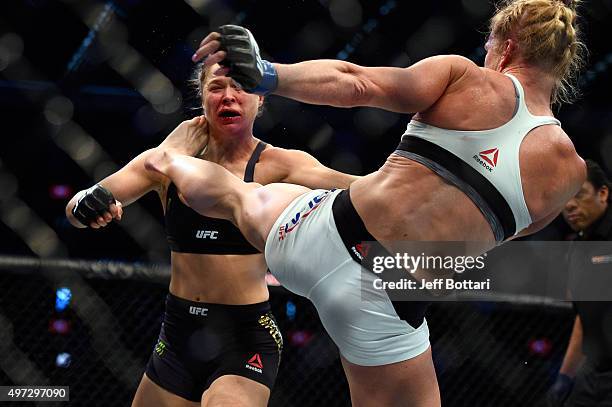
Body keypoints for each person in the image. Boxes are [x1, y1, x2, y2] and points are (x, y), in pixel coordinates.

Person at [178, 0, 588, 405]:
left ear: (509, 45)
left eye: (491, 44)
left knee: (239, 196)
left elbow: (356, 82)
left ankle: (165, 161)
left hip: (325, 230)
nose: (485, 53)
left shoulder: (465, 77)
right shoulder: (570, 172)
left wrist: (268, 75)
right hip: (387, 299)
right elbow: (480, 244)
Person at [65, 61, 358, 407]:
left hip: (243, 338)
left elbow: (364, 194)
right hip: (176, 335)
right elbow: (77, 208)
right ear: (201, 97)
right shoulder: (167, 162)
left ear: (260, 98)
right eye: (217, 87)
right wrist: (91, 207)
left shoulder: (283, 165)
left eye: (241, 86)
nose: (229, 96)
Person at [547, 159, 612, 407]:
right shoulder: (577, 247)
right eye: (564, 200)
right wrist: (565, 375)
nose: (570, 206)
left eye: (579, 195)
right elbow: (584, 319)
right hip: (595, 370)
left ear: (602, 193)